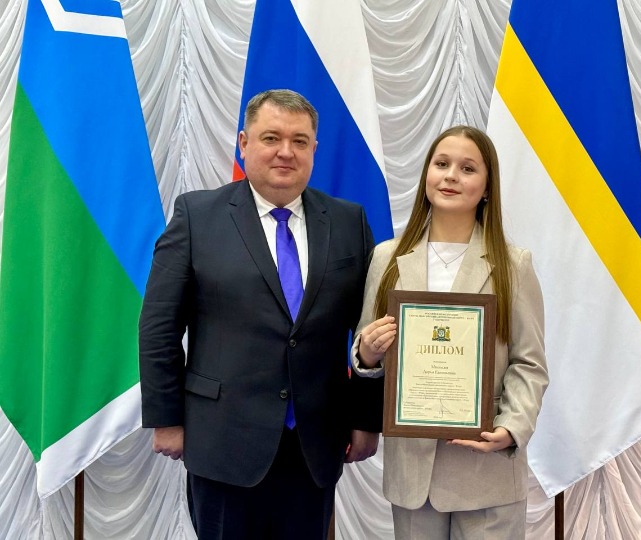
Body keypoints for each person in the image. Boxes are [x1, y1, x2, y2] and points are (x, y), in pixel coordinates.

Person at [139, 89, 382, 539]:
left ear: (314, 149)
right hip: (223, 442)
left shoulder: (349, 222)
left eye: (299, 141)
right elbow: (159, 328)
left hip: (314, 446)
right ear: (244, 143)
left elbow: (370, 333)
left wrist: (367, 421)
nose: (286, 152)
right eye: (271, 138)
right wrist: (166, 419)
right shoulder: (197, 216)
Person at [353, 126, 548, 539]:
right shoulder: (387, 258)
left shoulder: (513, 265)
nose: (451, 176)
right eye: (441, 164)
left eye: (468, 168)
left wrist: (512, 427)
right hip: (413, 477)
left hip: (487, 471)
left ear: (488, 187)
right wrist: (367, 353)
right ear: (426, 174)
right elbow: (366, 353)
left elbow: (529, 363)